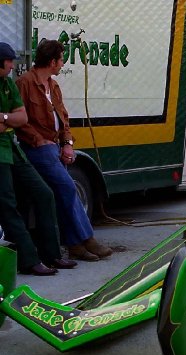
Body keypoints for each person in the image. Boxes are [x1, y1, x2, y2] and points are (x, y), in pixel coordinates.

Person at [16, 39, 113, 262]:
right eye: (61, 60)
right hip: (36, 148)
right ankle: (86, 239)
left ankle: (75, 245)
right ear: (52, 62)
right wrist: (39, 140)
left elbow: (64, 118)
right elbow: (20, 120)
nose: (62, 65)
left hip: (54, 146)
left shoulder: (54, 86)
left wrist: (67, 143)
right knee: (68, 187)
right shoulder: (25, 83)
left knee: (63, 191)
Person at [0, 42, 77, 275]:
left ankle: (51, 254)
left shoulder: (7, 85)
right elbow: (22, 122)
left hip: (14, 150)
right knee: (8, 204)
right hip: (13, 151)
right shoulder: (23, 83)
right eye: (9, 61)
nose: (13, 65)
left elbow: (21, 117)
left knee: (44, 194)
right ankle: (28, 260)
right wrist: (10, 119)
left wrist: (4, 117)